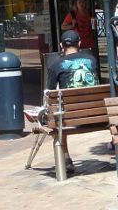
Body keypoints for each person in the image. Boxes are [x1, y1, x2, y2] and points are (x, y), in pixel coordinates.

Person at [44, 30, 98, 172]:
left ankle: (66, 160)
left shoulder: (55, 65)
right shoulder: (92, 60)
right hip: (96, 115)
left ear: (61, 45)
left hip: (71, 118)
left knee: (58, 116)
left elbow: (49, 94)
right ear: (79, 43)